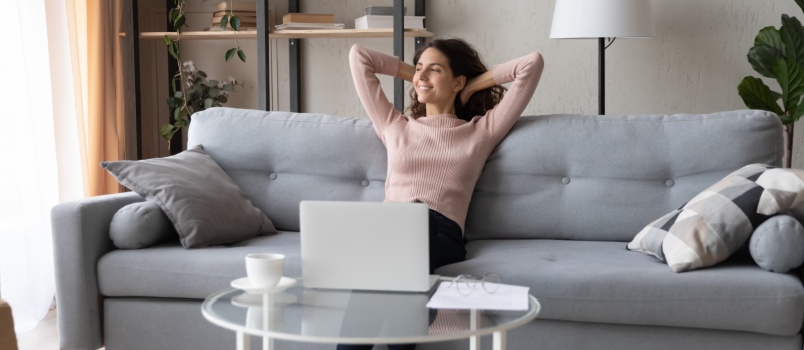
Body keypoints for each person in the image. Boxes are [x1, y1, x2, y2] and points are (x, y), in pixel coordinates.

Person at [339, 37, 544, 350]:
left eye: (435, 70)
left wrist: (474, 85)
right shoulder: (395, 125)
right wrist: (420, 76)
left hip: (439, 230)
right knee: (389, 258)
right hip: (388, 228)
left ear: (458, 81)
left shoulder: (481, 130)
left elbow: (531, 65)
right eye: (419, 69)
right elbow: (359, 56)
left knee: (403, 243)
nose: (421, 76)